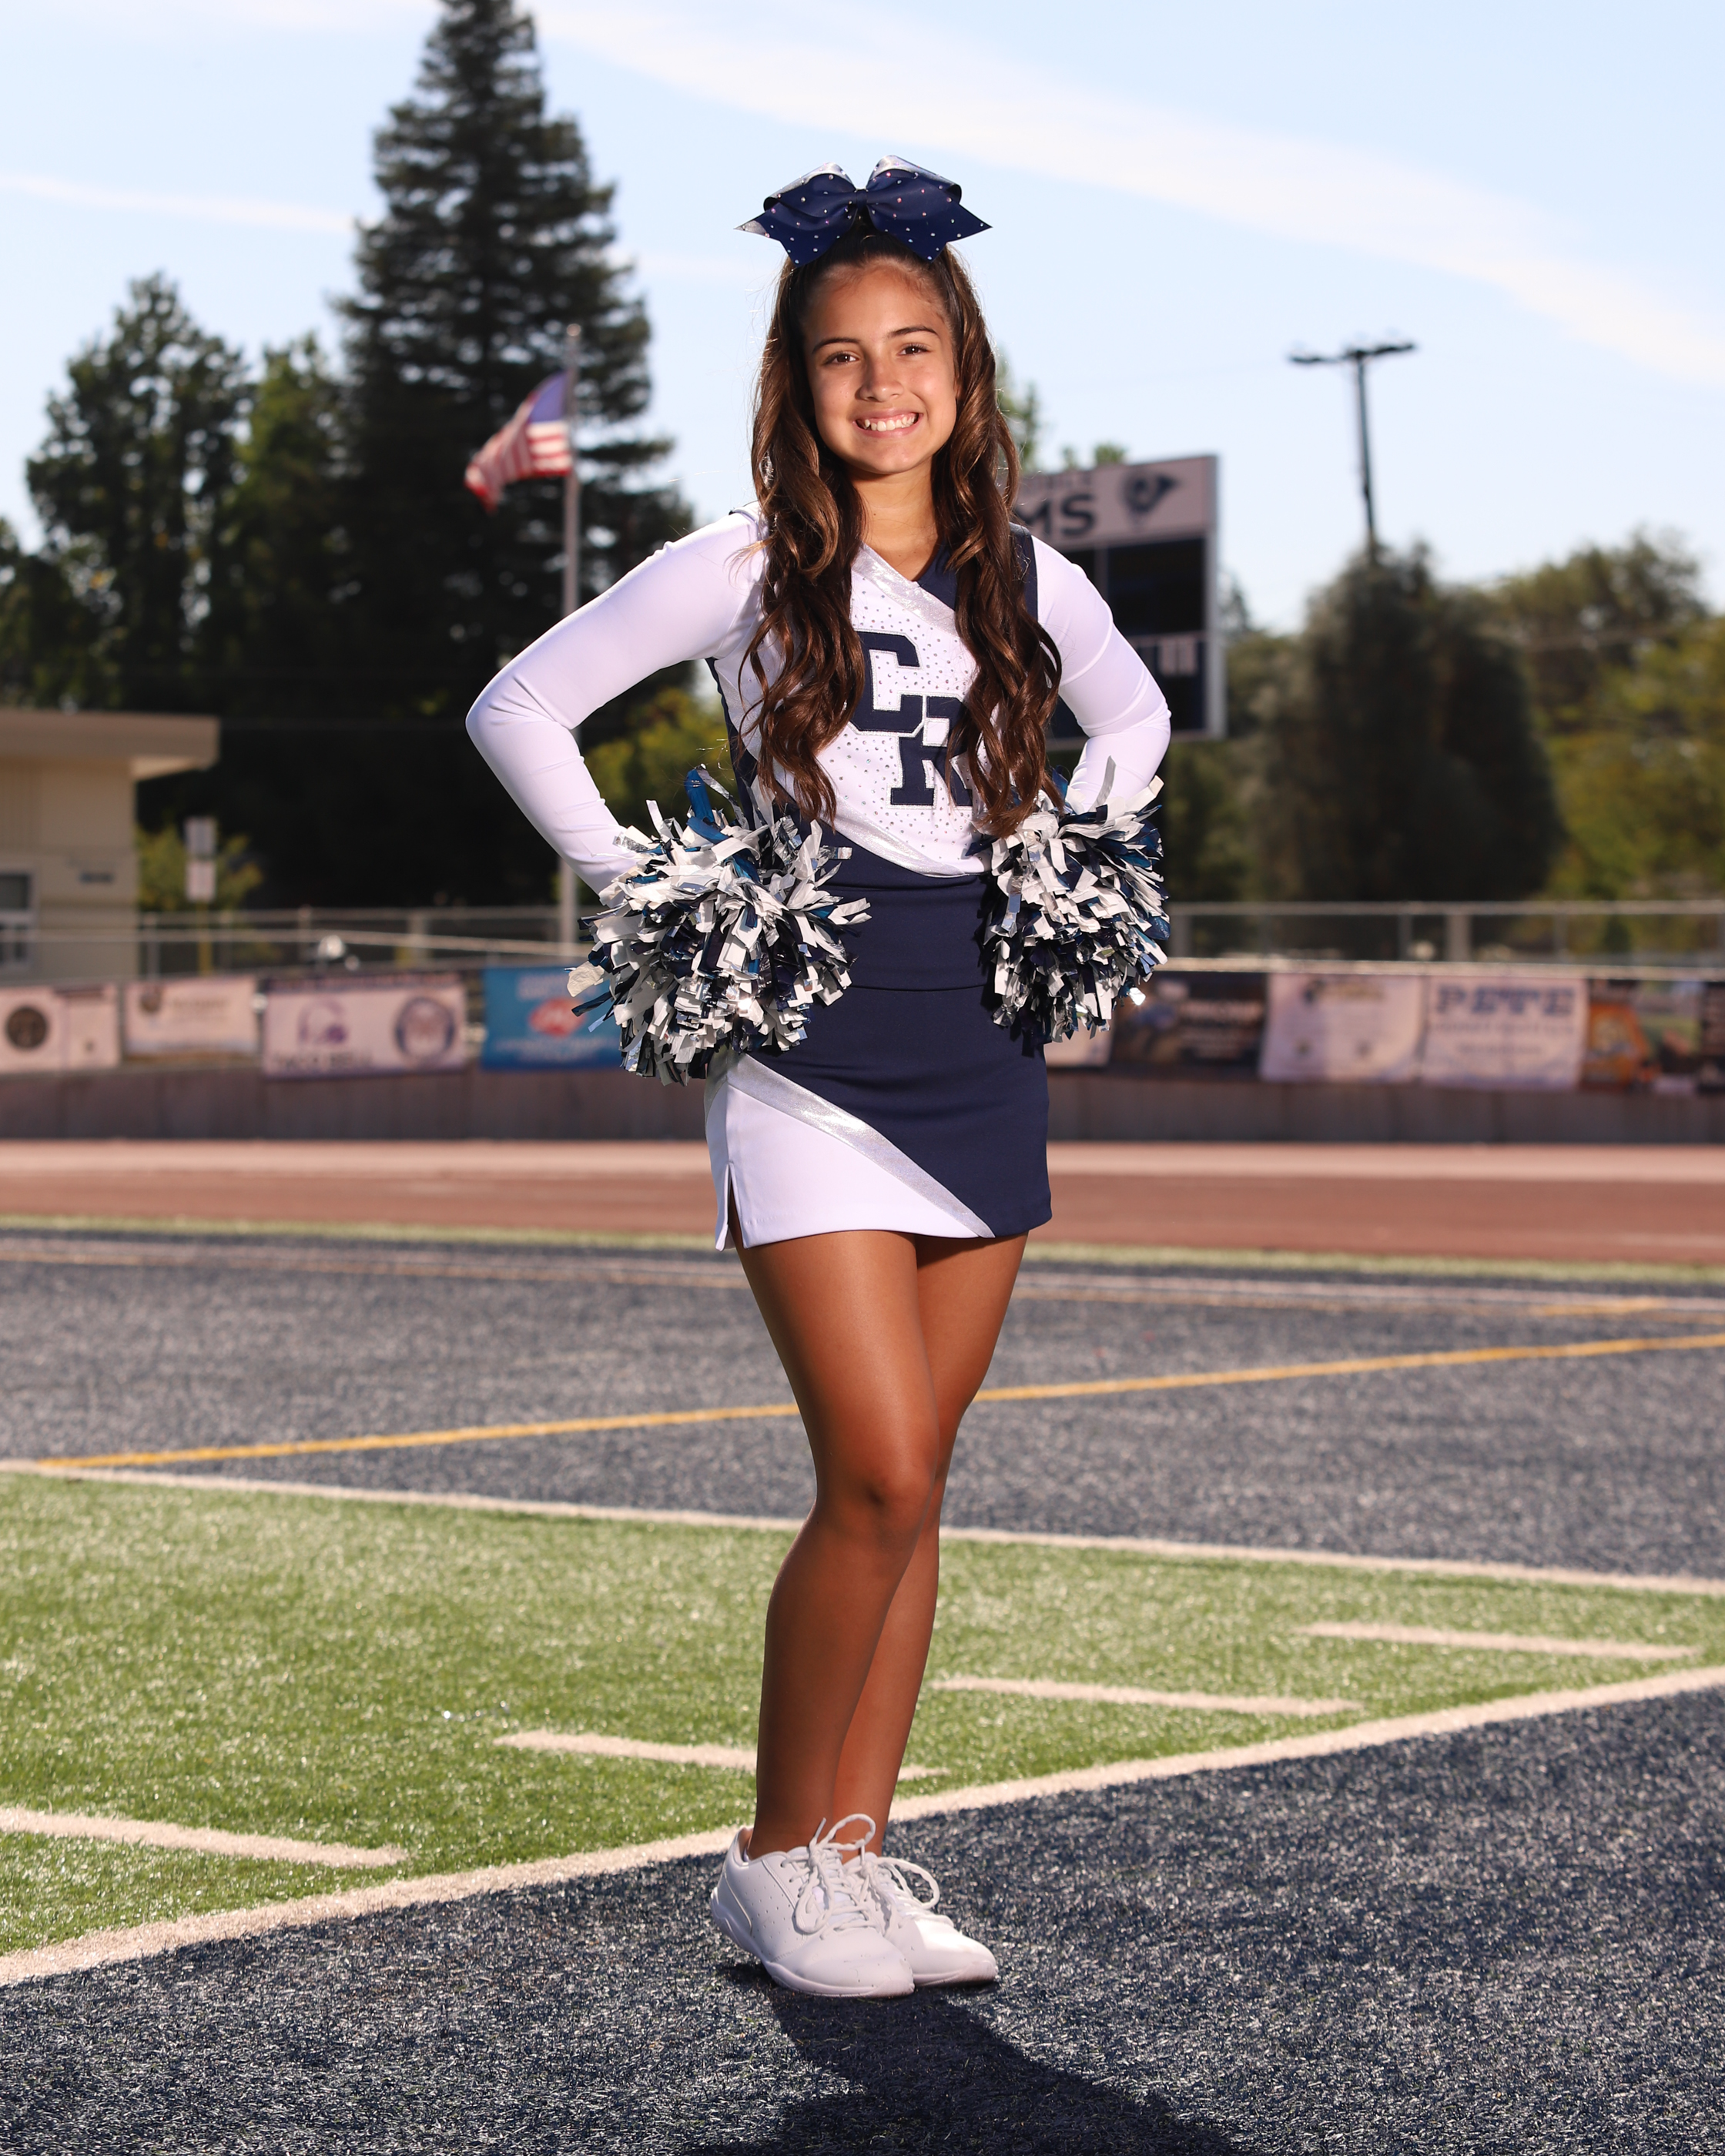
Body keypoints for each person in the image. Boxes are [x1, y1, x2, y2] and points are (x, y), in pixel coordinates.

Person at [467, 158, 1171, 1999]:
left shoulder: (1026, 571)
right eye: (843, 354)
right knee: (873, 1466)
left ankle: (854, 1857)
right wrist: (652, 887)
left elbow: (1135, 716)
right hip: (813, 1059)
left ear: (965, 368)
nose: (883, 383)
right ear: (797, 381)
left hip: (982, 1047)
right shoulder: (742, 561)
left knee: (920, 1483)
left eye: (914, 346)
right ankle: (774, 1856)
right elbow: (517, 706)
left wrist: (1073, 851)